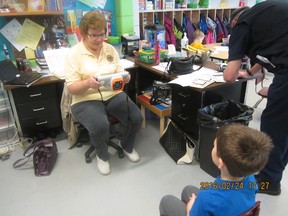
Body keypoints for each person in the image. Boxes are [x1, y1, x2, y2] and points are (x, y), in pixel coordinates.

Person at [64, 11, 143, 175]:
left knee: (136, 117)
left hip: (112, 94)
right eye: (94, 35)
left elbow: (119, 71)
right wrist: (87, 83)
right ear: (84, 34)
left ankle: (126, 145)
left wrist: (125, 78)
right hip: (84, 100)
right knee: (100, 125)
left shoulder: (110, 50)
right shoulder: (74, 54)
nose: (99, 40)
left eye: (102, 35)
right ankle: (102, 156)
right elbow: (71, 88)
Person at [223, 1, 288, 195]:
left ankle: (269, 181)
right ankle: (274, 173)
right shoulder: (264, 15)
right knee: (284, 125)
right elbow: (266, 50)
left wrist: (234, 68)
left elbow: (228, 77)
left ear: (234, 22)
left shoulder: (241, 24)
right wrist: (250, 71)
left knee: (273, 124)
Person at [159, 123, 273, 216]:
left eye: (214, 146)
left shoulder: (208, 198)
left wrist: (190, 208)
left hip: (209, 205)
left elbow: (203, 205)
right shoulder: (252, 180)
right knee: (188, 190)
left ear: (221, 162)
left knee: (166, 201)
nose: (212, 148)